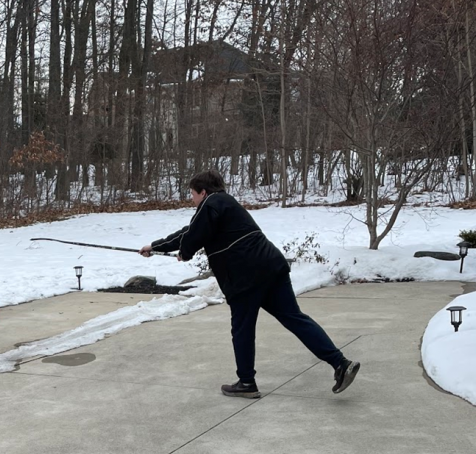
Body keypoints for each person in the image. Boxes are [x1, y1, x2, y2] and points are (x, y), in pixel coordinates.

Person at [139, 170, 359, 398]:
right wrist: (156, 247)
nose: (192, 200)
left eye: (193, 194)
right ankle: (340, 363)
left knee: (242, 329)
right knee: (295, 319)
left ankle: (246, 383)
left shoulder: (212, 202)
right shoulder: (226, 205)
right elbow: (190, 231)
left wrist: (185, 252)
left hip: (246, 276)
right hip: (271, 267)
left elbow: (193, 235)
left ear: (203, 192)